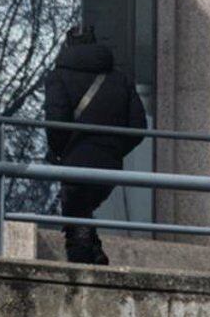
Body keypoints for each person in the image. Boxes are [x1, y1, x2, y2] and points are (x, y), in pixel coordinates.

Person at [42, 25, 148, 265]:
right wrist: (114, 149)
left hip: (75, 161)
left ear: (68, 45)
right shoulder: (120, 79)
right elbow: (138, 126)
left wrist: (58, 152)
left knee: (76, 218)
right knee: (80, 211)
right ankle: (95, 251)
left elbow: (56, 123)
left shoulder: (58, 76)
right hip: (109, 165)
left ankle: (85, 264)